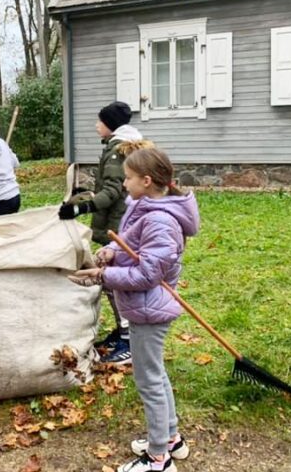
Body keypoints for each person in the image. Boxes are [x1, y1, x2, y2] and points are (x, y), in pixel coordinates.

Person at [69, 147, 199, 472]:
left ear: (146, 180)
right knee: (155, 375)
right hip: (146, 307)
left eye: (127, 178)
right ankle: (171, 440)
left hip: (148, 310)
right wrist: (111, 252)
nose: (123, 184)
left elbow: (146, 275)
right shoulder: (145, 207)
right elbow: (129, 239)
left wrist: (103, 275)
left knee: (149, 380)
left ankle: (158, 458)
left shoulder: (160, 221)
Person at [59, 100, 152, 364]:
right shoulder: (123, 146)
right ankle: (123, 330)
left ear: (110, 124)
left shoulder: (116, 151)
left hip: (119, 225)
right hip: (123, 222)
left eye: (99, 121)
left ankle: (128, 339)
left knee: (114, 281)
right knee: (113, 280)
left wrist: (82, 208)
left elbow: (112, 192)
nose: (96, 125)